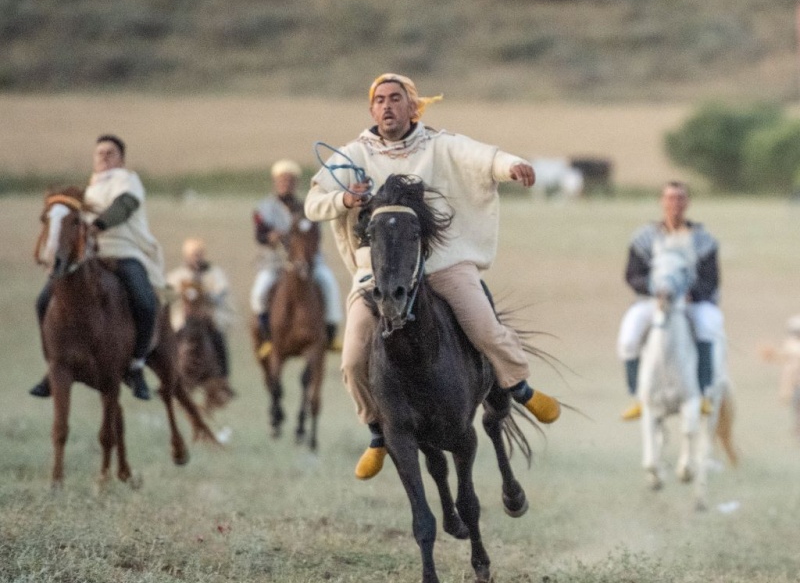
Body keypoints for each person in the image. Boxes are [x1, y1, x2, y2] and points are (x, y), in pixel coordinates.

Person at [305, 73, 561, 481]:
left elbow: (481, 157)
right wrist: (345, 198)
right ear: (372, 109)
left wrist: (512, 166)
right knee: (353, 359)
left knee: (484, 326)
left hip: (443, 260)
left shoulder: (439, 145)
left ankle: (519, 387)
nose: (387, 106)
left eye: (395, 99)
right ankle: (376, 431)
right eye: (380, 100)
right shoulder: (354, 154)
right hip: (379, 271)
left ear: (413, 107)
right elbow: (313, 203)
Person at [31, 134, 165, 401]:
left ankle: (137, 365)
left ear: (121, 159)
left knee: (145, 301)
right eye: (100, 153)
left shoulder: (128, 181)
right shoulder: (87, 190)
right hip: (89, 256)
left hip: (124, 251)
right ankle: (54, 364)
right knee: (43, 300)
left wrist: (97, 226)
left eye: (110, 152)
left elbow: (123, 206)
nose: (104, 156)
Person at [617, 181, 723, 419]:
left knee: (707, 326)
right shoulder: (643, 239)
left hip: (691, 302)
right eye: (670, 198)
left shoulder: (703, 240)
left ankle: (704, 390)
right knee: (629, 337)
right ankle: (638, 396)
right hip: (652, 301)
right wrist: (653, 289)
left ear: (687, 203)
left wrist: (692, 294)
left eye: (679, 198)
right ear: (662, 202)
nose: (675, 203)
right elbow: (632, 275)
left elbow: (711, 279)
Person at [251, 159, 344, 360]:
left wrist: (307, 251)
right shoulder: (264, 209)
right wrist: (270, 237)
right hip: (275, 261)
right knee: (260, 290)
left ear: (295, 183)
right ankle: (267, 336)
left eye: (290, 180)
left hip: (307, 261)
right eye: (282, 180)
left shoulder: (306, 208)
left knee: (328, 283)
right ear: (276, 182)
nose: (286, 184)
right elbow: (259, 234)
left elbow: (316, 234)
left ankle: (330, 334)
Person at [167, 237, 234, 376]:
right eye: (194, 255)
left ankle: (222, 376)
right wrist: (182, 294)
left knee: (218, 339)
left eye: (200, 254)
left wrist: (207, 294)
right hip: (184, 319)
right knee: (171, 342)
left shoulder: (214, 273)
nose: (197, 258)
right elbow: (168, 294)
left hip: (207, 317)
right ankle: (169, 376)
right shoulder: (178, 275)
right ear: (187, 256)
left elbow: (221, 292)